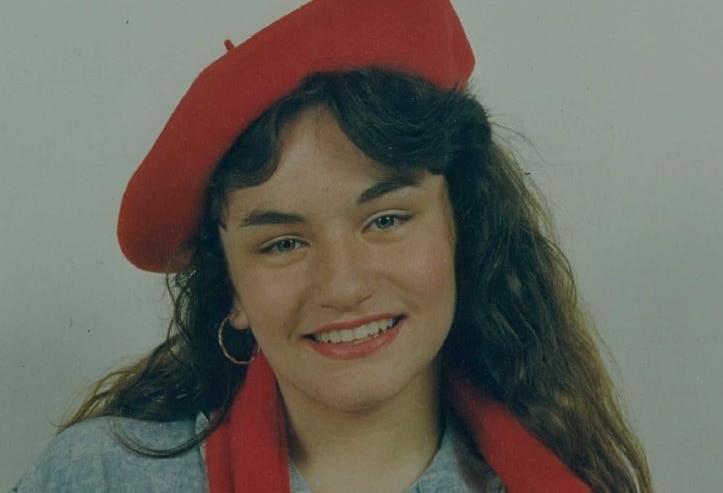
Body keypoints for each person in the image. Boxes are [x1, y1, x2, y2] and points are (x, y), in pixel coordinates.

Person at [13, 0, 652, 492]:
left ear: (462, 228)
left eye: (386, 221)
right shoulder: (99, 476)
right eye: (284, 242)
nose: (343, 285)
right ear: (231, 288)